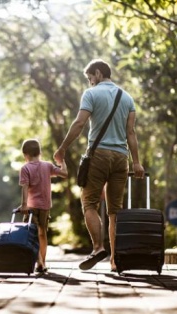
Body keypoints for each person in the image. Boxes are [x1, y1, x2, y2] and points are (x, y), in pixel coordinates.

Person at [53, 59, 145, 272]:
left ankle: (97, 248)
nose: (90, 82)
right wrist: (137, 162)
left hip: (98, 155)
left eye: (90, 78)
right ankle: (114, 261)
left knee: (90, 204)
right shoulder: (128, 98)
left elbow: (79, 123)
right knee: (115, 211)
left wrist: (63, 148)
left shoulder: (91, 94)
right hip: (121, 158)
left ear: (98, 73)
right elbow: (131, 133)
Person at [18, 139, 68, 273]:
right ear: (40, 152)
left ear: (25, 154)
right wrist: (61, 161)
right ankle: (43, 262)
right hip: (45, 206)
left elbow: (25, 187)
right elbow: (64, 174)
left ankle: (39, 262)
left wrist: (24, 205)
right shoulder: (47, 166)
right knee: (42, 234)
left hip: (31, 207)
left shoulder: (25, 168)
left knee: (31, 234)